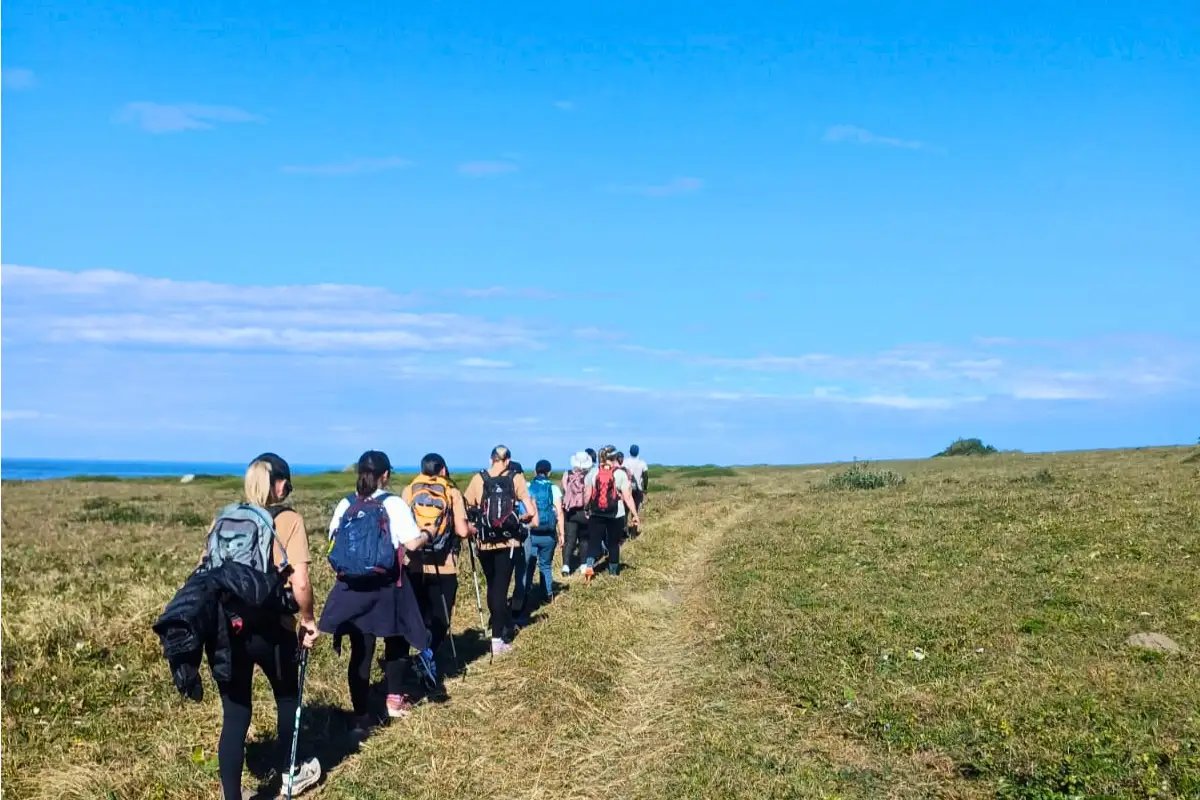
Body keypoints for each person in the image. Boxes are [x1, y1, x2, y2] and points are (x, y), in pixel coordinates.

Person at [214, 454, 321, 800]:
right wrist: (307, 620)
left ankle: (232, 796)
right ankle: (291, 775)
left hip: (228, 629)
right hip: (273, 627)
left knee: (235, 715)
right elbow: (301, 583)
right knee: (286, 696)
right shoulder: (289, 520)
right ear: (279, 485)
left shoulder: (226, 517)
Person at [319, 451, 438, 731]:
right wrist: (427, 534)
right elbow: (411, 544)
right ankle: (394, 701)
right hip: (388, 586)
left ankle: (360, 714)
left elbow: (333, 540)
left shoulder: (346, 503)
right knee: (397, 640)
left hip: (351, 588)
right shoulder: (393, 503)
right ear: (386, 475)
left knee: (361, 651)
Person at [400, 453, 472, 688]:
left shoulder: (409, 490)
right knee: (441, 616)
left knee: (418, 613)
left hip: (414, 563)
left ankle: (418, 655)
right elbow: (461, 531)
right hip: (444, 563)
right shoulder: (451, 491)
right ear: (442, 470)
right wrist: (471, 529)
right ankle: (427, 655)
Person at [463, 446, 538, 655]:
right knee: (501, 588)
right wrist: (518, 520)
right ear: (507, 460)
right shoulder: (516, 478)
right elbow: (531, 512)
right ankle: (498, 639)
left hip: (484, 543)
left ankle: (498, 626)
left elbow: (466, 504)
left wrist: (478, 523)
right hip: (509, 544)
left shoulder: (479, 478)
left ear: (491, 459)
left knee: (492, 586)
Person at [582, 446, 639, 581]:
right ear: (614, 458)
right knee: (613, 543)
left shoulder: (592, 473)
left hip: (596, 513)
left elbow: (587, 494)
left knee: (594, 542)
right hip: (616, 513)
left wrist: (586, 508)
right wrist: (635, 514)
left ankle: (589, 567)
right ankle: (613, 573)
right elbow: (627, 497)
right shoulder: (620, 474)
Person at [523, 459, 565, 607]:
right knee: (545, 566)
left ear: (535, 471)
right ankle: (547, 595)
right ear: (549, 472)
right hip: (548, 534)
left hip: (531, 534)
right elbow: (559, 513)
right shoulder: (554, 489)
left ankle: (524, 595)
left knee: (528, 566)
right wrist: (562, 534)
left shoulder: (528, 486)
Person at [560, 451, 592, 576]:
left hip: (570, 512)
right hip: (583, 512)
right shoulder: (588, 476)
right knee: (584, 539)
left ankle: (566, 566)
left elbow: (565, 490)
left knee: (570, 539)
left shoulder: (566, 474)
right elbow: (588, 494)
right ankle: (583, 565)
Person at [625, 444, 649, 520]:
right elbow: (645, 476)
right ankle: (634, 529)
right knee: (636, 510)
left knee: (626, 510)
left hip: (627, 489)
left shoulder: (625, 462)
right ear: (638, 452)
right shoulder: (642, 463)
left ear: (630, 452)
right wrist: (645, 488)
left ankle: (625, 528)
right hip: (638, 489)